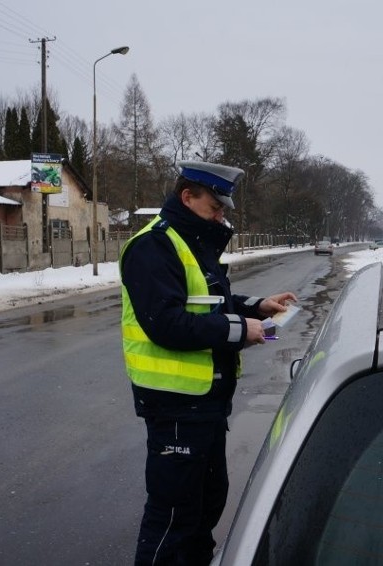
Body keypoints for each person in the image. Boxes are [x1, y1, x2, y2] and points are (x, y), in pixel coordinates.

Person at [120, 160, 298, 565]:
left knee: (206, 505)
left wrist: (259, 307)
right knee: (172, 519)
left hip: (207, 402)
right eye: (215, 207)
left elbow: (209, 304)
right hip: (176, 403)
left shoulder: (193, 241)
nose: (221, 215)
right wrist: (240, 330)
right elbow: (165, 323)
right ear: (188, 197)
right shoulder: (154, 245)